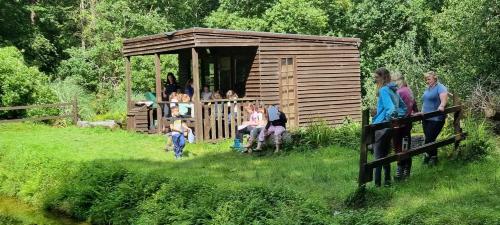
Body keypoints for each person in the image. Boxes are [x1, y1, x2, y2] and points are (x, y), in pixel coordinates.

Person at [372, 68, 407, 187]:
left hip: (381, 127)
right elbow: (403, 108)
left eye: (376, 77)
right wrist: (396, 119)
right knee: (385, 155)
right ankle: (387, 182)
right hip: (390, 128)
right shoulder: (394, 90)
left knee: (377, 157)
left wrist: (387, 120)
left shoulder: (384, 90)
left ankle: (377, 185)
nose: (375, 80)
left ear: (382, 78)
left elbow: (391, 109)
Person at [391, 72, 418, 180]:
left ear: (397, 81)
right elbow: (414, 106)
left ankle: (399, 172)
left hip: (399, 125)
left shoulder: (399, 92)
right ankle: (406, 171)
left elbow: (394, 109)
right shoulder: (408, 90)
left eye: (392, 82)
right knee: (406, 146)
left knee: (399, 148)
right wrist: (415, 112)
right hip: (407, 124)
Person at [421, 71, 448, 166]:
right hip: (426, 118)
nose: (427, 81)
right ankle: (432, 157)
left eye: (429, 79)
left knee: (429, 138)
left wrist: (442, 106)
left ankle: (430, 156)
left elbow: (444, 100)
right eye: (426, 79)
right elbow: (425, 101)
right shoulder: (428, 88)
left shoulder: (440, 87)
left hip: (436, 118)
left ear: (435, 78)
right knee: (429, 138)